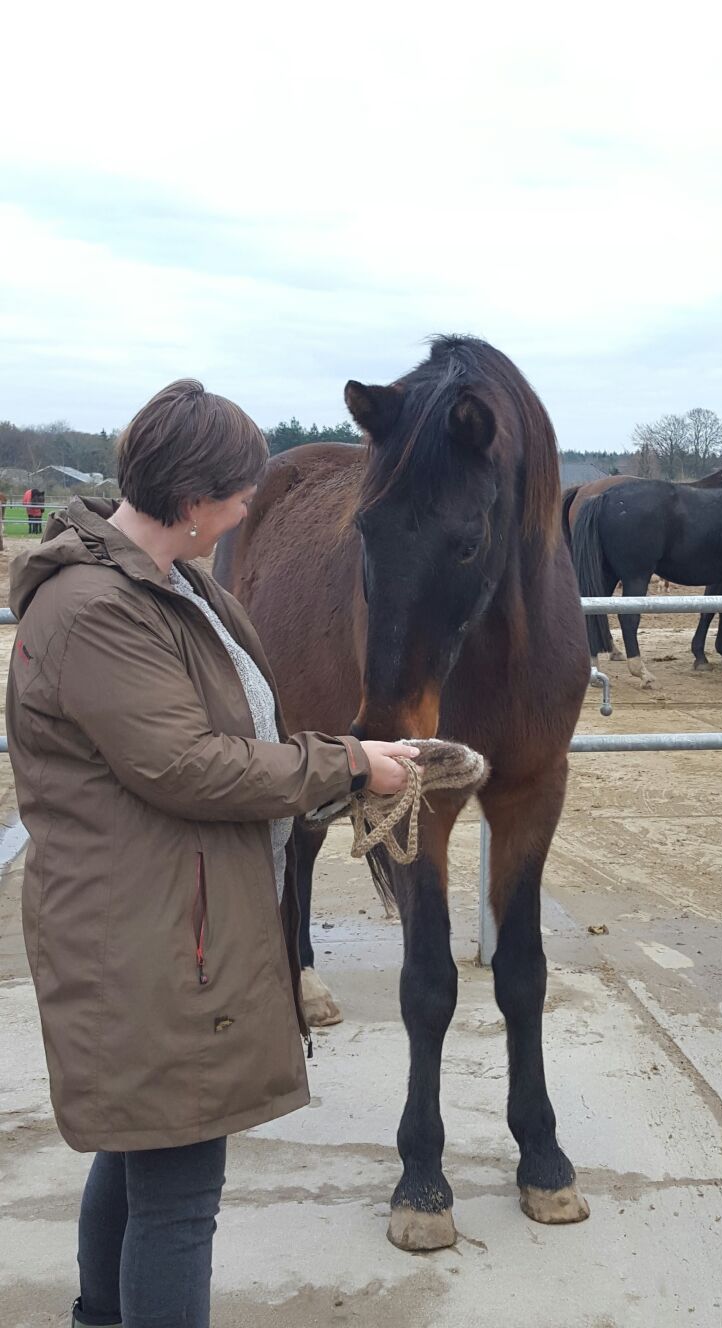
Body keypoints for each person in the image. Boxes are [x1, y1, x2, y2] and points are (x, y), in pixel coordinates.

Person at [6, 379, 417, 1328]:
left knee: (139, 1151)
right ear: (193, 502)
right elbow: (184, 766)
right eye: (238, 494)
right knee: (181, 1198)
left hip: (165, 923)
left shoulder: (173, 584)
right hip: (147, 947)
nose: (247, 510)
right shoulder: (99, 610)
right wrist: (349, 765)